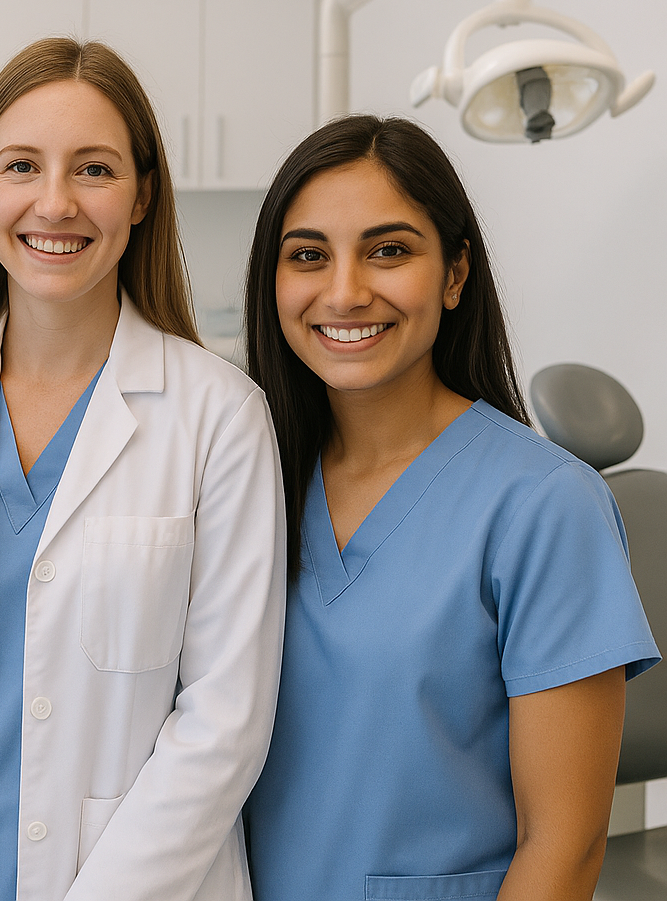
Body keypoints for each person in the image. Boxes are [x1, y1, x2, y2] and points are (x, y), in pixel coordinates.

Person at [0, 38, 286, 901]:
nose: (56, 202)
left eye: (96, 169)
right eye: (23, 165)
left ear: (143, 194)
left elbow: (226, 719)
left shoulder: (219, 416)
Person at [242, 114, 659, 901]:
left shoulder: (545, 506)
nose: (345, 291)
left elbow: (564, 850)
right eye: (308, 256)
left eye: (389, 250)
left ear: (456, 273)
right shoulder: (248, 482)